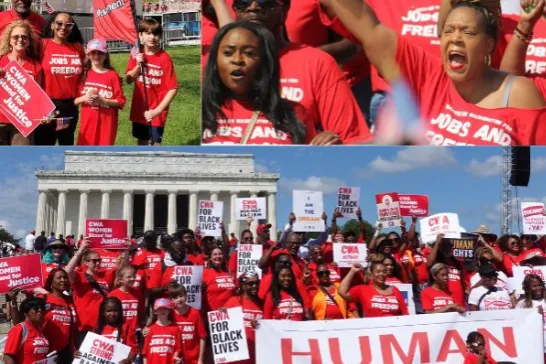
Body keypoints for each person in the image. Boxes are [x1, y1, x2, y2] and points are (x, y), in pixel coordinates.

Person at [321, 0, 546, 145]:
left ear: (489, 44)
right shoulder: (428, 76)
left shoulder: (519, 93)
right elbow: (368, 27)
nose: (455, 38)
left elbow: (539, 168)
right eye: (448, 30)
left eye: (467, 32)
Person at [225, 0, 373, 145]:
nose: (253, 8)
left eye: (266, 2)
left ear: (285, 9)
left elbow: (352, 140)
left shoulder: (316, 63)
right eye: (242, 3)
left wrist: (332, 141)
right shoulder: (217, 64)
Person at [202, 21, 309, 145]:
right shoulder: (197, 111)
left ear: (266, 62)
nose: (237, 60)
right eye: (228, 53)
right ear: (215, 61)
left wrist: (325, 142)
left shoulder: (294, 112)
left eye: (249, 53)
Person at [125, 18, 178, 146]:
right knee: (142, 142)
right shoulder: (136, 54)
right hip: (139, 109)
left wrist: (157, 111)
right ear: (140, 35)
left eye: (155, 33)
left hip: (156, 112)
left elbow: (173, 88)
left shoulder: (164, 58)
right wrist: (138, 65)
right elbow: (128, 79)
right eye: (148, 33)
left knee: (155, 144)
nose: (152, 37)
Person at [37, 12, 85, 145]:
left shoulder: (77, 47)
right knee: (45, 145)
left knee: (66, 144)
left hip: (70, 106)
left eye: (68, 25)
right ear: (52, 25)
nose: (63, 27)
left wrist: (112, 77)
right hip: (48, 105)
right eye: (59, 23)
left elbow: (87, 72)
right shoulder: (42, 44)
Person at [75, 39, 126, 145]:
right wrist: (85, 98)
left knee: (104, 153)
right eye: (93, 53)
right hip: (88, 123)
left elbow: (121, 101)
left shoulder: (112, 75)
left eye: (100, 53)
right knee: (84, 152)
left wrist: (104, 101)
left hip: (107, 123)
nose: (97, 56)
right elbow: (74, 100)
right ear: (88, 54)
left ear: (106, 55)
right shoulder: (84, 74)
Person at [0, 20, 43, 145]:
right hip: (0, 120)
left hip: (23, 123)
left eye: (24, 37)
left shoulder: (36, 66)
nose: (20, 40)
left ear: (29, 41)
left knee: (21, 160)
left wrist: (43, 114)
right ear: (9, 40)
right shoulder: (0, 61)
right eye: (16, 37)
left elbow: (38, 97)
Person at [339, 262, 408, 317]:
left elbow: (405, 313)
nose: (381, 274)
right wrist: (352, 271)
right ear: (371, 275)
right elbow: (342, 292)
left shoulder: (394, 290)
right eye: (378, 272)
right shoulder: (362, 289)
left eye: (384, 272)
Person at [223, 271, 263, 364]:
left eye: (257, 283)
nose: (255, 286)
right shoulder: (233, 301)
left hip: (255, 356)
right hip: (237, 358)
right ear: (243, 285)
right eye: (251, 283)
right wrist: (222, 313)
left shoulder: (261, 303)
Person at [39, 268, 78, 362]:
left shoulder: (70, 300)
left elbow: (72, 329)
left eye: (65, 278)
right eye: (59, 278)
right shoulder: (43, 298)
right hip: (46, 353)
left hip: (66, 353)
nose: (63, 280)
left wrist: (73, 349)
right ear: (51, 282)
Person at [166, 283, 206, 364]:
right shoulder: (169, 314)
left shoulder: (195, 313)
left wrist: (200, 359)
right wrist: (146, 330)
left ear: (186, 295)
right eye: (175, 297)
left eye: (181, 296)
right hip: (174, 359)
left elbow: (202, 337)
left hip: (193, 359)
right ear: (171, 300)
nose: (179, 299)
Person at [3, 298, 50, 364]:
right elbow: (8, 356)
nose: (40, 311)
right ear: (26, 312)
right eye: (36, 308)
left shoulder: (40, 330)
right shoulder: (19, 329)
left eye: (42, 308)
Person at [92, 297, 137, 363]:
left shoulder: (126, 327)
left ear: (120, 312)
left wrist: (128, 360)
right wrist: (79, 354)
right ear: (103, 313)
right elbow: (89, 350)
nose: (112, 314)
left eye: (115, 311)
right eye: (109, 311)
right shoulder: (97, 329)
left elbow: (134, 350)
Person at [142, 298, 183, 364]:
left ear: (169, 310)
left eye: (165, 308)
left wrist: (175, 358)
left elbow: (178, 349)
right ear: (155, 311)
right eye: (160, 308)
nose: (162, 310)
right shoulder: (149, 329)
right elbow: (145, 353)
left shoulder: (175, 329)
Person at [203, 247, 237, 312]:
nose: (218, 256)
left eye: (220, 254)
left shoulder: (228, 272)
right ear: (210, 257)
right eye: (215, 254)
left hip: (230, 312)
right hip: (213, 315)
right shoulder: (205, 272)